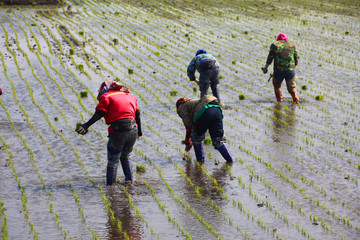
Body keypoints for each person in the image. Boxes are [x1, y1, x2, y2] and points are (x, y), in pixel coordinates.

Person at [76, 81, 142, 185]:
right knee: (125, 156)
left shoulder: (107, 97)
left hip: (118, 132)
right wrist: (140, 133)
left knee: (113, 160)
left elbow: (99, 113)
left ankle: (110, 186)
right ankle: (130, 181)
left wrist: (86, 125)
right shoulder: (130, 96)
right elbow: (137, 115)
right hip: (133, 131)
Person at [176, 95, 232, 163]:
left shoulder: (182, 107)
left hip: (204, 112)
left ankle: (200, 162)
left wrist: (188, 140)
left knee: (196, 138)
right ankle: (229, 160)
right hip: (217, 110)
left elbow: (188, 126)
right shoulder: (194, 102)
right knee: (218, 140)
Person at [262, 33, 300, 103]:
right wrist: (293, 67)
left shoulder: (274, 45)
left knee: (277, 85)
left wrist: (265, 68)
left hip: (278, 70)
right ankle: (296, 101)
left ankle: (279, 102)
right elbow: (296, 59)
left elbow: (270, 58)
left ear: (278, 39)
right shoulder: (292, 45)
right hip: (290, 70)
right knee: (292, 88)